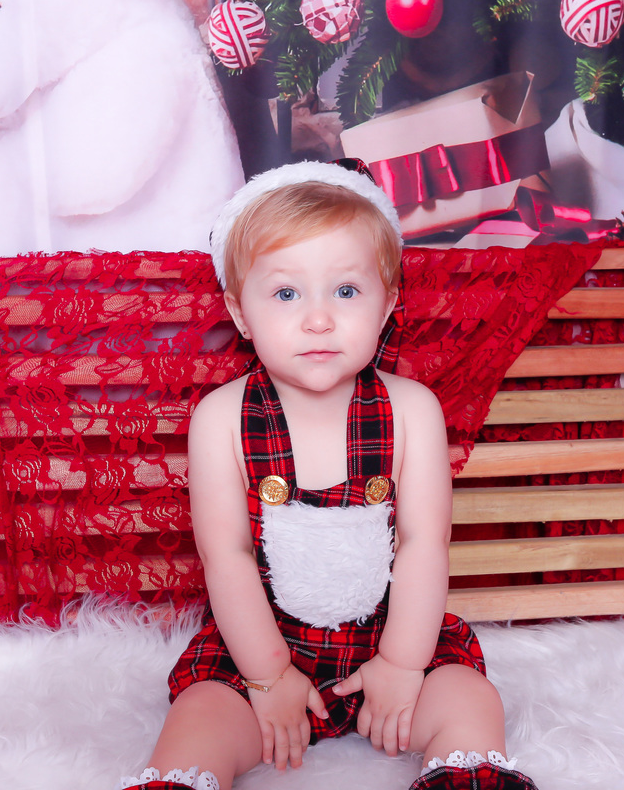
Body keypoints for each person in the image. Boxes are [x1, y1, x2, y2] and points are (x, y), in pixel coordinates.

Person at [120, 162, 536, 790]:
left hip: (391, 641)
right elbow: (227, 556)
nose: (318, 319)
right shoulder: (222, 419)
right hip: (260, 648)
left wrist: (403, 665)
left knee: (472, 702)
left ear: (387, 302)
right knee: (198, 720)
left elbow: (424, 544)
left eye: (345, 291)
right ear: (240, 312)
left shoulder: (411, 410)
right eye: (286, 294)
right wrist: (267, 678)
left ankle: (465, 774)